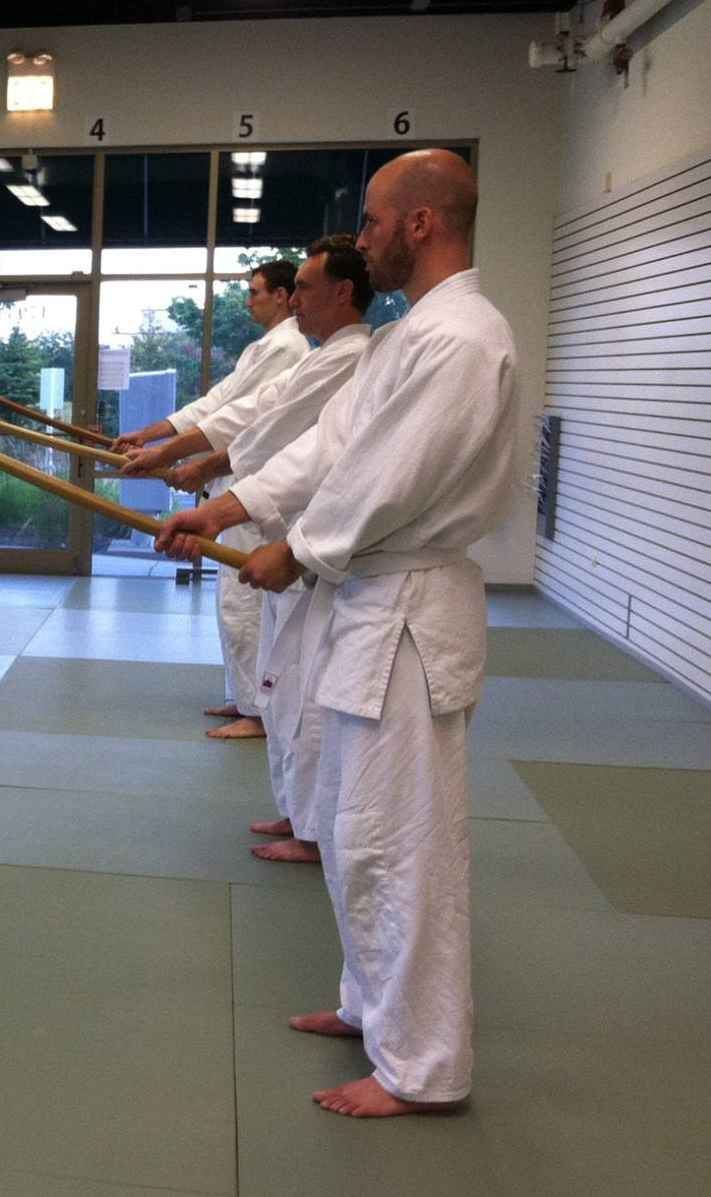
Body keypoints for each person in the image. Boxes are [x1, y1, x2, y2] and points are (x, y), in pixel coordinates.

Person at [155, 150, 517, 1117]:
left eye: (370, 222)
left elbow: (388, 477)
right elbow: (328, 447)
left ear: (421, 224)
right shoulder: (410, 339)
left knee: (406, 845)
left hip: (409, 614)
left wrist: (301, 550)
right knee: (360, 835)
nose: (359, 240)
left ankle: (424, 1067)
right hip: (373, 610)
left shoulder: (464, 340)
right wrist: (229, 506)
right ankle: (371, 1007)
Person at [124, 235, 374, 861]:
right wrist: (177, 454)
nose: (294, 304)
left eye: (303, 291)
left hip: (302, 536)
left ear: (341, 293)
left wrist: (191, 469)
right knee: (283, 675)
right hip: (273, 514)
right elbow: (252, 416)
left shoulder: (344, 356)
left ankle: (313, 826)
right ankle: (298, 814)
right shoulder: (316, 354)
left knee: (302, 687)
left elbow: (265, 433)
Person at [113, 260, 308, 739]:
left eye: (257, 291)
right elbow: (217, 404)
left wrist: (175, 455)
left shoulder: (289, 347)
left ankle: (259, 711)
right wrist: (152, 435)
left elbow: (239, 418)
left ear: (282, 296)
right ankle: (245, 698)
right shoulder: (265, 348)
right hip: (236, 477)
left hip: (252, 483)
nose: (249, 300)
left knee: (244, 598)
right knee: (233, 597)